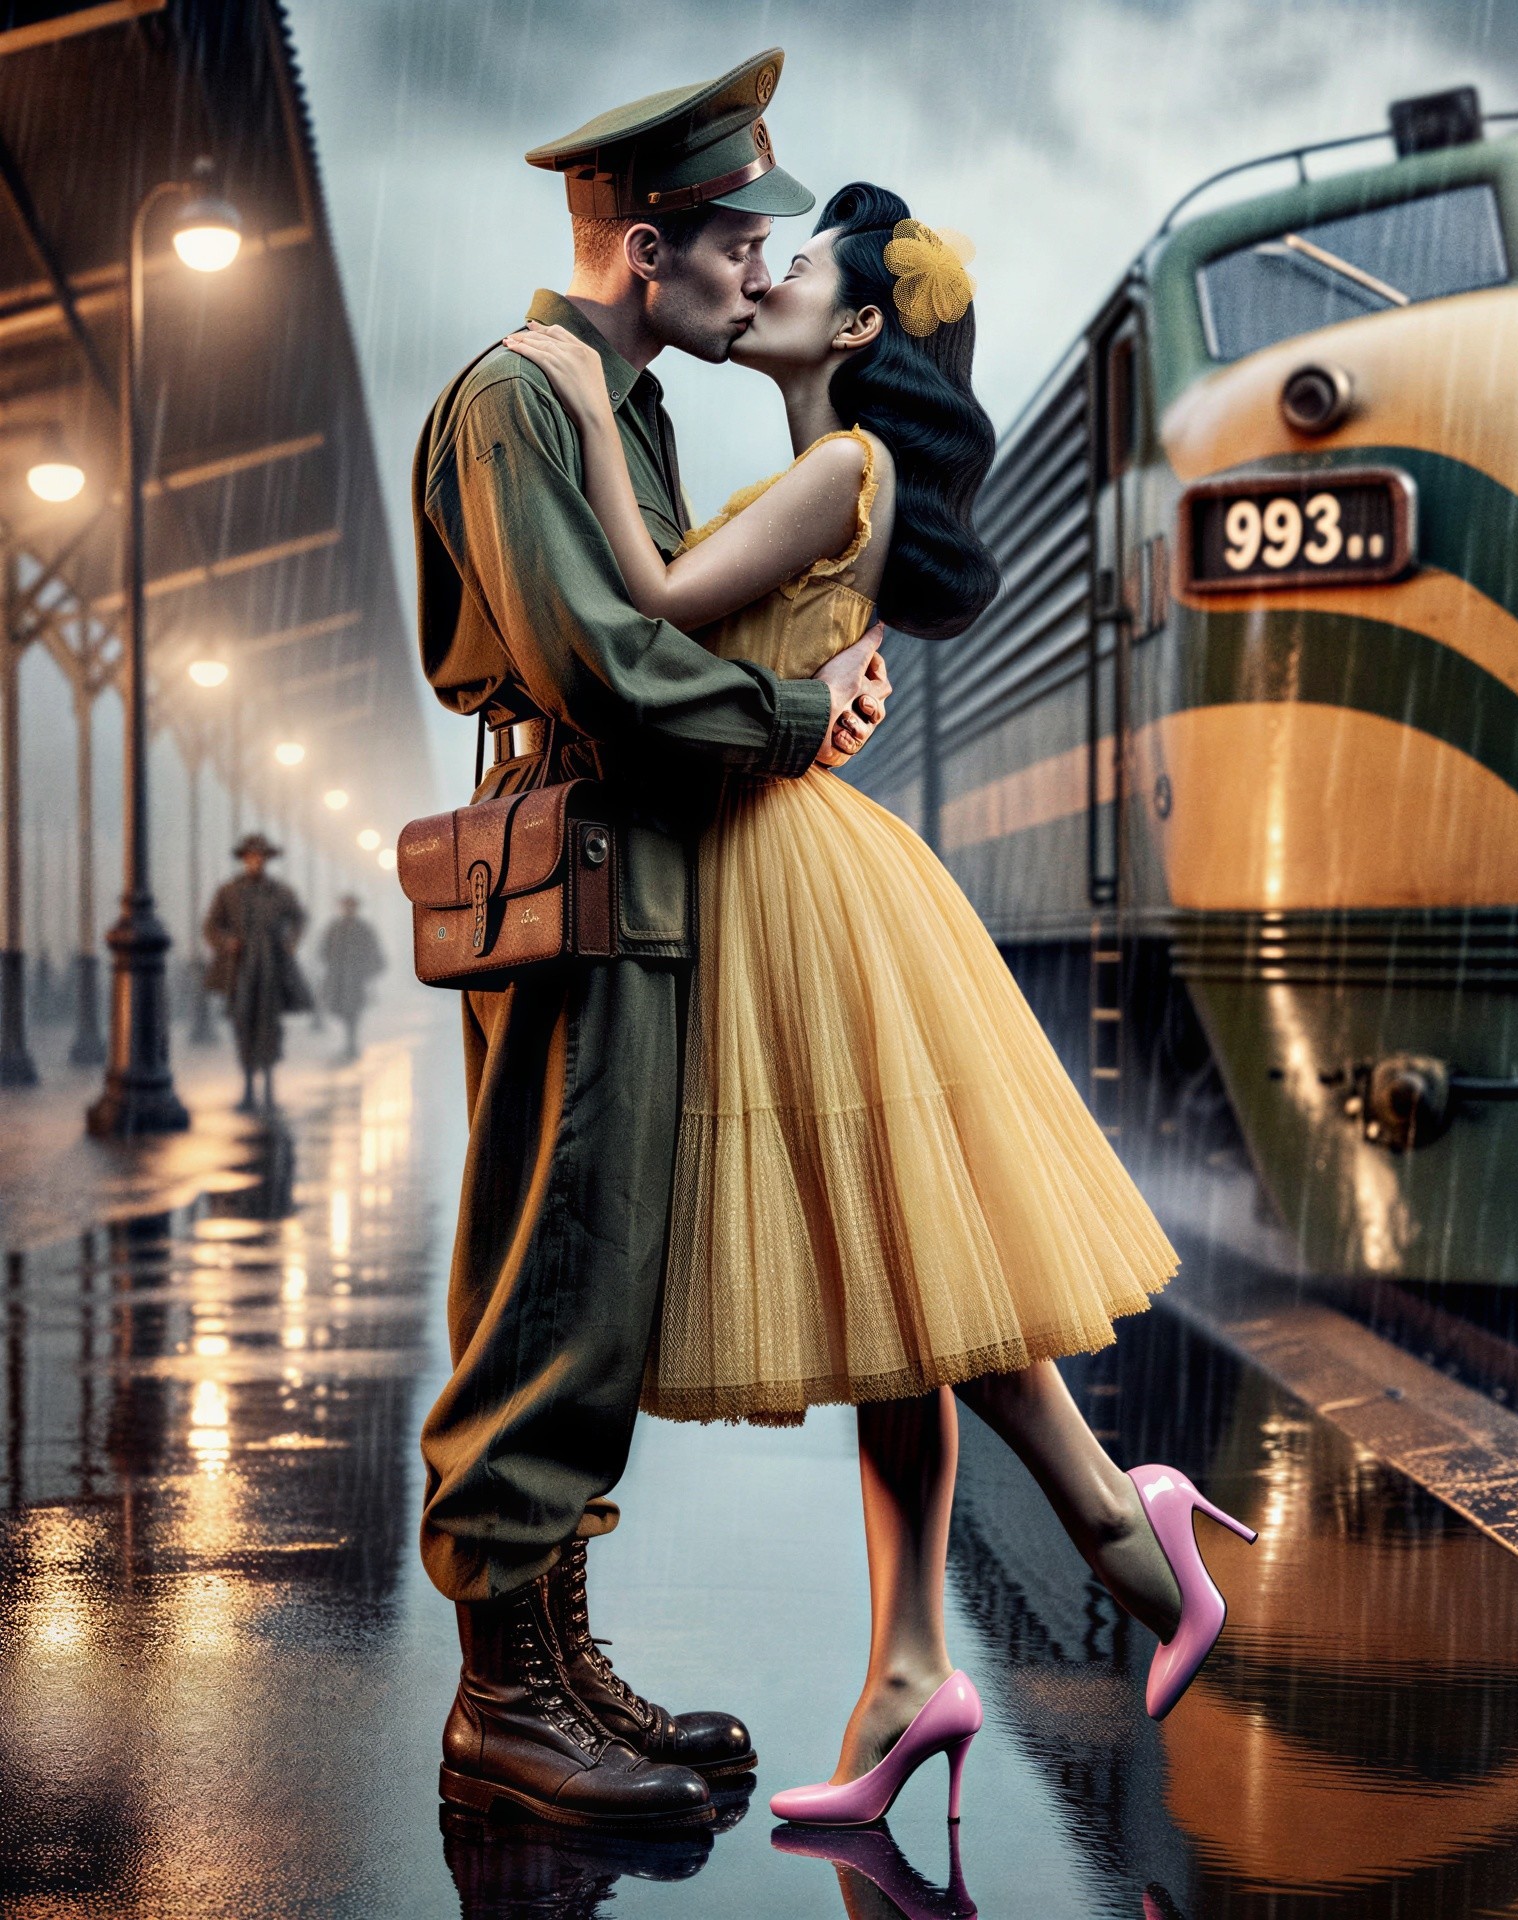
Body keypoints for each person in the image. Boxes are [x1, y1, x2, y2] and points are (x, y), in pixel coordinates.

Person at [505, 179, 1255, 1828]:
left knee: (906, 1271)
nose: (758, 277)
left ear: (854, 330)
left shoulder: (839, 464)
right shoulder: (827, 473)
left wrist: (568, 392)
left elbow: (632, 612)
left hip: (786, 879)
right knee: (896, 1284)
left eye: (798, 271)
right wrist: (805, 683)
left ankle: (1125, 1533)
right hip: (798, 864)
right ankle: (917, 1665)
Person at [412, 49, 893, 1834]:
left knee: (592, 1280)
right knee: (552, 1275)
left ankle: (558, 1666)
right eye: (736, 249)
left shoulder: (627, 404)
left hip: (639, 875)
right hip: (587, 867)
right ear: (648, 249)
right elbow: (593, 660)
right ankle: (505, 1706)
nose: (756, 276)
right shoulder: (526, 399)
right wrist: (784, 713)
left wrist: (802, 684)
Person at [203, 832, 311, 1113]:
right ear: (244, 860)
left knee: (269, 1026)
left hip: (272, 970)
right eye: (251, 857)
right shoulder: (228, 892)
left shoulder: (281, 892)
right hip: (239, 970)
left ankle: (269, 1089)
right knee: (242, 1024)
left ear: (266, 860)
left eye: (260, 857)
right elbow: (212, 926)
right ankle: (249, 1089)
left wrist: (290, 942)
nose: (255, 862)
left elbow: (299, 918)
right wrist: (227, 943)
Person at [318, 895, 385, 1061]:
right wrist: (333, 965)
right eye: (346, 906)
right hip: (338, 978)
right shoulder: (334, 928)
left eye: (351, 906)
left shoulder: (363, 929)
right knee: (340, 1008)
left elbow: (373, 951)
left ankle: (351, 1041)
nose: (348, 909)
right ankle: (349, 1039)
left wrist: (366, 970)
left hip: (356, 978)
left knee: (354, 1010)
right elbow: (324, 950)